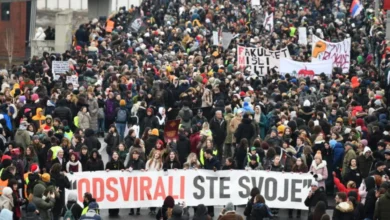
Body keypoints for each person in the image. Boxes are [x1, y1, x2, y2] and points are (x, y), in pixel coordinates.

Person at [105, 151, 124, 217]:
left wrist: (122, 170)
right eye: (114, 154)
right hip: (110, 185)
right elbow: (105, 172)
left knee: (117, 198)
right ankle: (111, 211)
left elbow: (123, 169)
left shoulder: (120, 163)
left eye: (116, 154)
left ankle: (116, 211)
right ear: (112, 156)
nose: (115, 155)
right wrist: (106, 170)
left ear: (118, 156)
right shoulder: (109, 163)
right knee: (111, 198)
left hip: (118, 184)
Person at [126, 150, 145, 215]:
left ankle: (138, 210)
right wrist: (127, 169)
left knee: (138, 196)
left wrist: (143, 170)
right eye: (133, 154)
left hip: (139, 182)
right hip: (131, 182)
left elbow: (144, 170)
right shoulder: (130, 161)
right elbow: (126, 168)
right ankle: (131, 210)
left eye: (135, 154)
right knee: (131, 196)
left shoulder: (141, 162)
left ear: (138, 155)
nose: (134, 155)